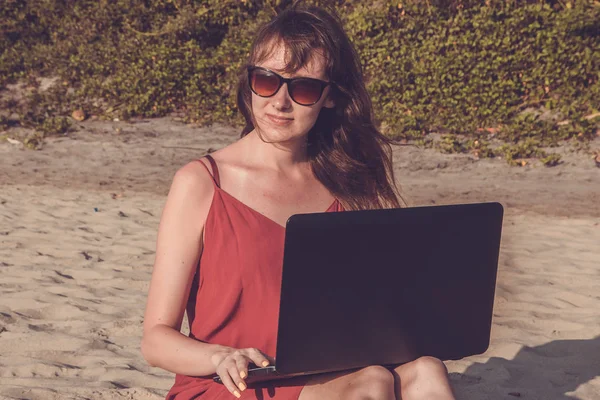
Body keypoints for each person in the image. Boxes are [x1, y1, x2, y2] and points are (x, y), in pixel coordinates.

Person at [141, 3, 456, 400]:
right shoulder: (201, 183)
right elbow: (155, 340)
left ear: (331, 98)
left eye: (303, 88)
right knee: (372, 383)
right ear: (249, 81)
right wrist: (220, 356)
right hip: (233, 383)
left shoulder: (351, 182)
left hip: (332, 374)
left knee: (427, 371)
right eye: (266, 80)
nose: (279, 102)